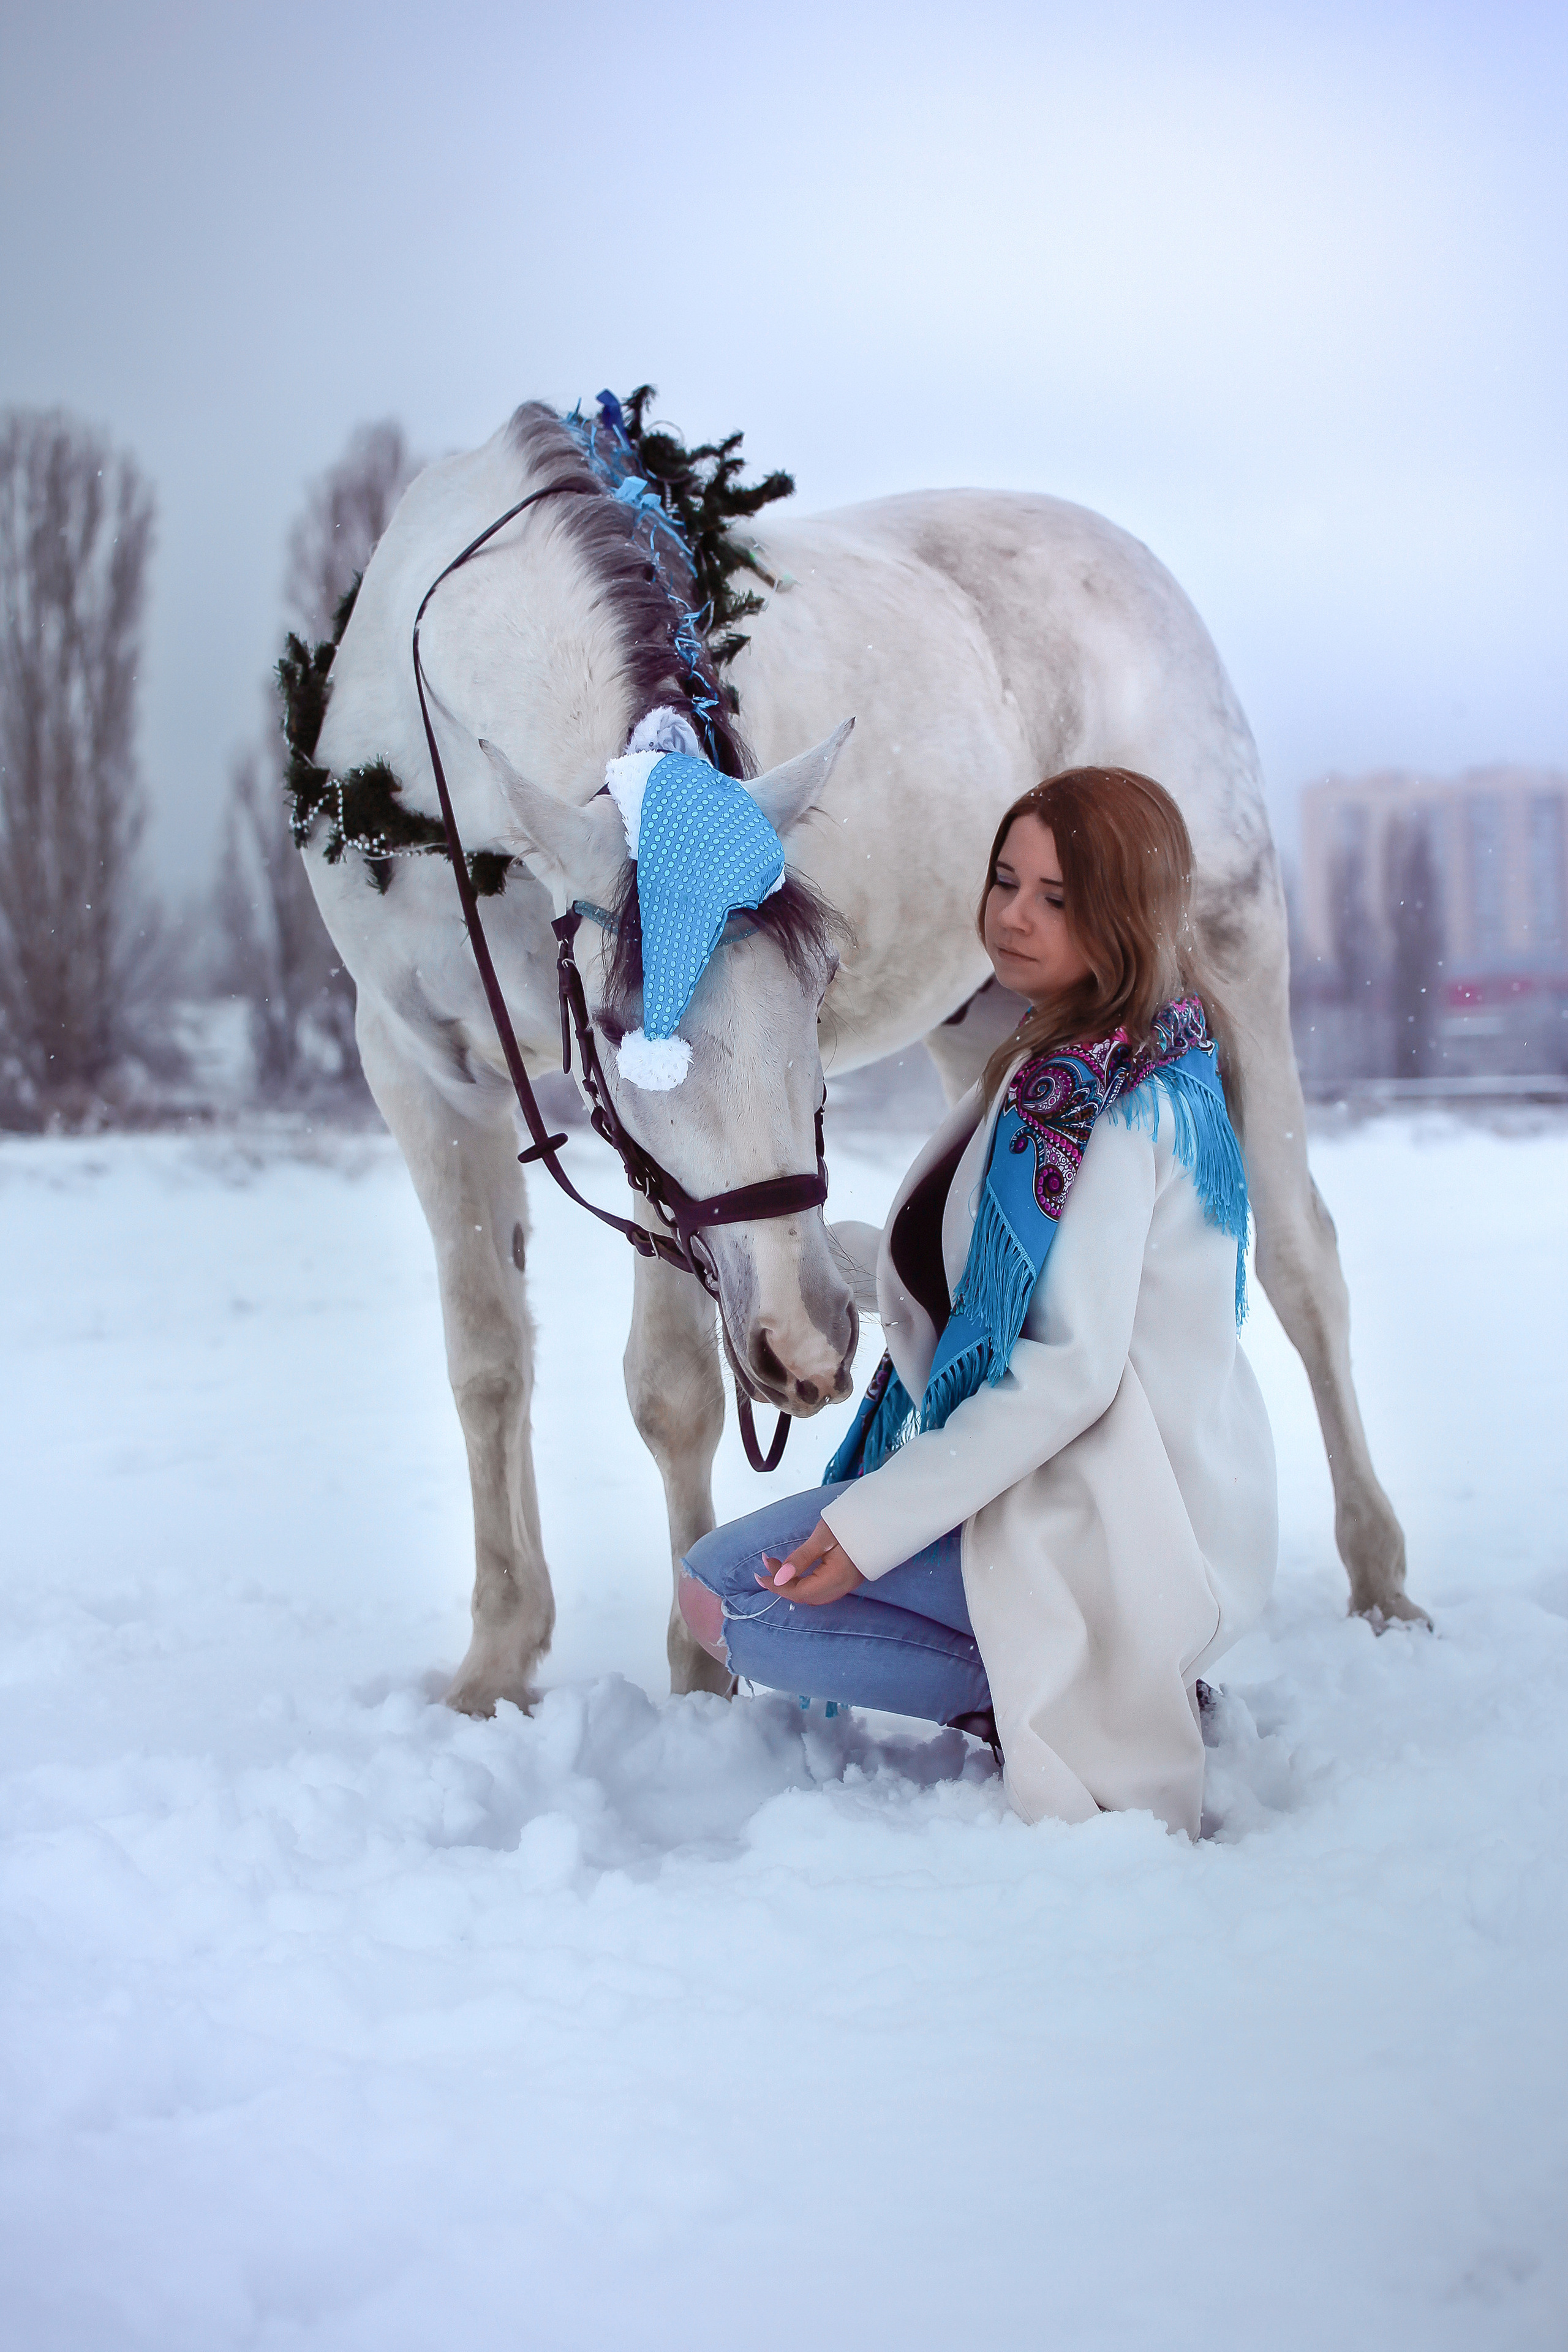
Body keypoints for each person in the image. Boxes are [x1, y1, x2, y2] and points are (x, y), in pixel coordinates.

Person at [679, 768, 1278, 1838]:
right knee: (723, 1592)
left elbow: (1067, 1373)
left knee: (731, 1599)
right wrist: (792, 1258)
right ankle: (1074, 1673)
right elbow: (982, 1277)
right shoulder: (1091, 1054)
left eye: (1059, 897)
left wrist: (870, 1528)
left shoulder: (1110, 1103)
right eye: (1008, 880)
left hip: (1111, 1522)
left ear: (1126, 911)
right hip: (1102, 1489)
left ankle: (1076, 1696)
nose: (1013, 915)